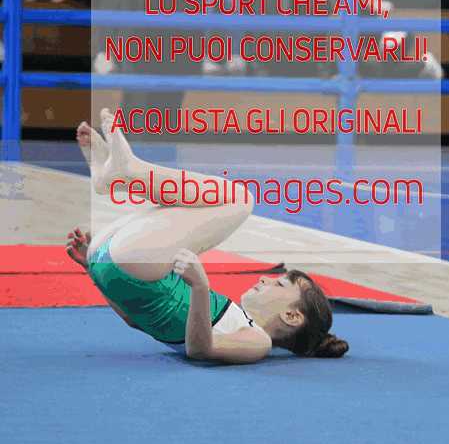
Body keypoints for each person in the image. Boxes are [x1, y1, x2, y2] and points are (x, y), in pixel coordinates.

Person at [66, 111, 349, 364]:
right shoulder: (231, 314)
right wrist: (94, 269)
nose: (265, 278)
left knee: (239, 199)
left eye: (279, 283)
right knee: (185, 205)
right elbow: (134, 320)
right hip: (115, 261)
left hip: (131, 262)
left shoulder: (259, 342)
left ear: (292, 316)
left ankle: (129, 173)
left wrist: (201, 286)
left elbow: (200, 350)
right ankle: (118, 177)